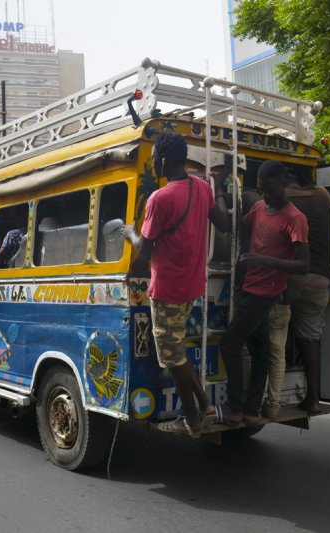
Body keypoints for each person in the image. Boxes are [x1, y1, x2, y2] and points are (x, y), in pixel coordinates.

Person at [122, 130, 230, 437]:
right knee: (177, 349)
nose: (154, 163)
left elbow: (145, 247)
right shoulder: (201, 188)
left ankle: (194, 420)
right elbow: (223, 223)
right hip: (192, 286)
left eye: (155, 157)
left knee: (171, 356)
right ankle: (206, 405)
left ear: (165, 160)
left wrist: (130, 233)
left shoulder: (160, 198)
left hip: (168, 289)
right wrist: (218, 186)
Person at [217, 160, 309, 426]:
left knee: (230, 343)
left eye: (270, 190)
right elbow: (235, 225)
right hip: (249, 287)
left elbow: (303, 265)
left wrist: (264, 261)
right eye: (261, 190)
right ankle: (252, 411)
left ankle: (236, 408)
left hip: (266, 292)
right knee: (259, 351)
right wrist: (222, 186)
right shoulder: (258, 207)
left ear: (283, 184)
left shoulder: (295, 218)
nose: (266, 195)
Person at [284, 168, 330, 413]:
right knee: (310, 339)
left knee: (273, 330)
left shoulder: (285, 199)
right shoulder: (324, 195)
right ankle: (312, 399)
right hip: (321, 281)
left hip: (293, 279)